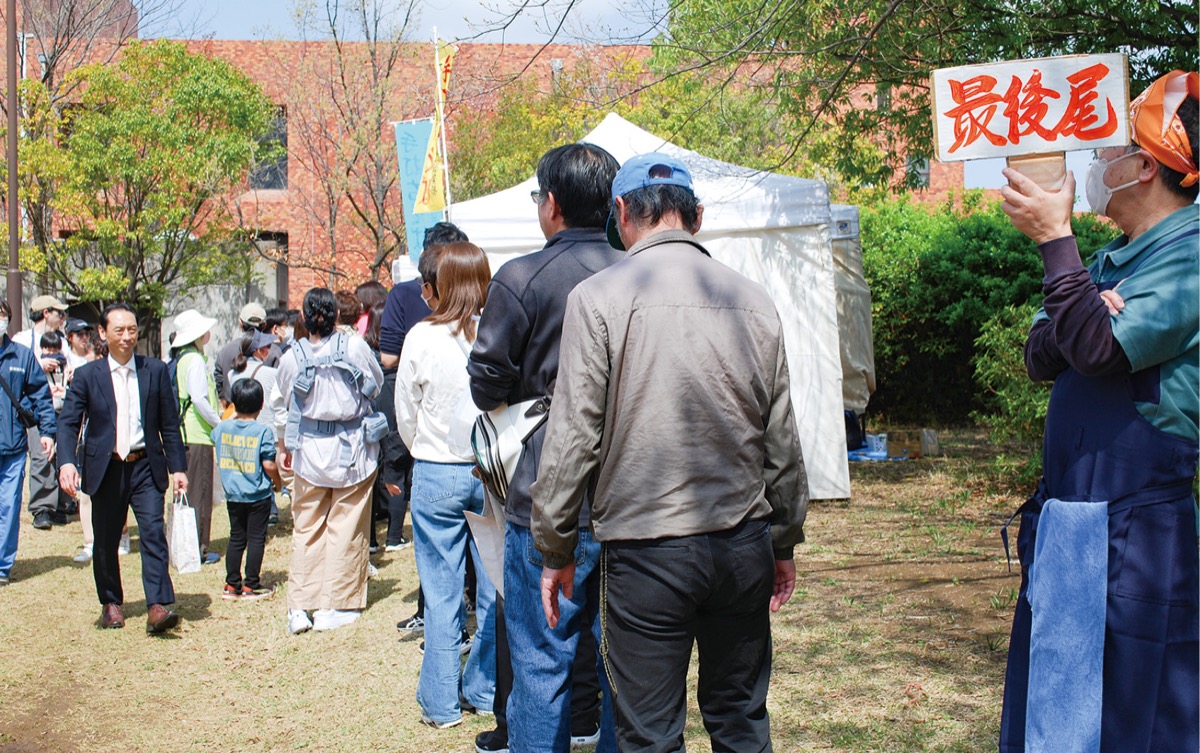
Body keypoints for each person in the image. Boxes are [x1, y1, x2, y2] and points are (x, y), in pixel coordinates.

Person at [531, 153, 808, 752]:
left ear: (622, 213)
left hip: (647, 550)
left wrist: (554, 547)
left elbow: (573, 435)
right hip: (741, 544)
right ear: (697, 217)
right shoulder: (753, 300)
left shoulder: (597, 298)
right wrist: (783, 540)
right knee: (740, 719)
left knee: (650, 736)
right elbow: (781, 439)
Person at [996, 71, 1199, 753]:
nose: (1095, 159)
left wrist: (1058, 246)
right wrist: (1082, 310)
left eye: (1110, 147)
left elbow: (1095, 344)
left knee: (1132, 721)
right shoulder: (1117, 258)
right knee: (1056, 714)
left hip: (1140, 541)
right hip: (1075, 529)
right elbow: (1041, 350)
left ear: (1144, 164)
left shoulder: (1189, 257)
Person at [467, 142, 622, 753]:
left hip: (544, 494)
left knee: (539, 663)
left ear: (551, 204)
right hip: (632, 490)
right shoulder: (633, 270)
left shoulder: (522, 278)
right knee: (630, 664)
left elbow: (485, 385)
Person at [395, 241, 498, 729]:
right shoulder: (496, 331)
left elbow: (406, 411)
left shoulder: (421, 335)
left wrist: (424, 448)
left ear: (440, 284)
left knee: (442, 592)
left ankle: (440, 703)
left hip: (436, 469)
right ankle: (483, 686)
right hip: (489, 469)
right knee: (496, 589)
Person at [57, 303, 189, 632]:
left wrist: (179, 468)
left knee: (153, 534)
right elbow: (68, 423)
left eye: (132, 329)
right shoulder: (88, 376)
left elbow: (169, 425)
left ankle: (158, 605)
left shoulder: (154, 370)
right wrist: (66, 463)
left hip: (145, 464)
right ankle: (111, 603)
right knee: (104, 540)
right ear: (103, 333)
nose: (127, 336)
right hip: (106, 467)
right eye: (120, 330)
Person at [275, 287, 384, 635]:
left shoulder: (291, 356)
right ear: (337, 315)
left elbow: (284, 393)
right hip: (350, 447)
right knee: (345, 526)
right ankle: (335, 604)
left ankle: (299, 606)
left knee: (306, 529)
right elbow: (376, 382)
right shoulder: (353, 346)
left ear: (304, 318)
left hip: (308, 449)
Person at [381, 222, 468, 635]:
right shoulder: (482, 319)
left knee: (437, 567)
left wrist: (421, 448)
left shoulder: (417, 325)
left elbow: (394, 374)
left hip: (435, 455)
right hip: (477, 459)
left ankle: (439, 624)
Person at [0, 299, 57, 587]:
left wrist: (48, 432)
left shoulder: (21, 356)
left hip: (11, 447)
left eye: (1, 315)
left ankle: (2, 566)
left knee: (9, 505)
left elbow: (41, 396)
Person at [212, 378, 282, 601]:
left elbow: (216, 437)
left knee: (236, 537)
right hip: (258, 495)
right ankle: (251, 584)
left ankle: (232, 585)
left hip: (233, 494)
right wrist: (278, 481)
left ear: (234, 402)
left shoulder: (222, 428)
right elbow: (269, 464)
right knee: (256, 539)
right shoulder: (262, 432)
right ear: (262, 405)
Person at [171, 309, 222, 565]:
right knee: (199, 493)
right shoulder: (195, 361)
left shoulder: (182, 358)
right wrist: (219, 422)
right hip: (198, 433)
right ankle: (198, 549)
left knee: (187, 493)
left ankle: (183, 544)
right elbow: (200, 399)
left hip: (185, 432)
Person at [15, 294, 70, 530]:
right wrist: (41, 364)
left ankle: (60, 504)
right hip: (34, 407)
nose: (62, 317)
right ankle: (41, 508)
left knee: (61, 455)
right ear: (46, 313)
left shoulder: (63, 340)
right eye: (59, 312)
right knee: (41, 456)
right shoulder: (22, 339)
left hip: (60, 403)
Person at [214, 302, 267, 405]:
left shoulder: (225, 351)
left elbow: (219, 380)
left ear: (240, 324)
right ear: (264, 325)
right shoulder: (272, 351)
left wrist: (226, 405)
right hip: (265, 415)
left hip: (234, 413)